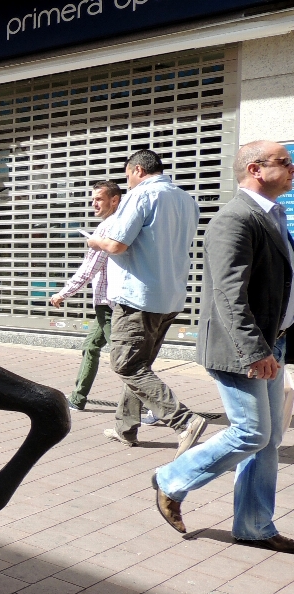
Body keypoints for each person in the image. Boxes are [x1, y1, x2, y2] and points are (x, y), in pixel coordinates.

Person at [152, 141, 294, 552]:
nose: (292, 169)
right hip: (243, 349)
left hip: (272, 344)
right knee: (251, 432)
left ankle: (253, 526)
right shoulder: (235, 219)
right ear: (255, 168)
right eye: (284, 163)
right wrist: (254, 350)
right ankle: (170, 479)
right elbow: (229, 295)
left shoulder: (273, 214)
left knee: (267, 440)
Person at [87, 149, 206, 457]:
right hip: (171, 295)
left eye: (127, 176)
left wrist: (94, 240)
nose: (127, 183)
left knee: (125, 364)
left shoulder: (140, 196)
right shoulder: (186, 199)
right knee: (140, 365)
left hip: (138, 296)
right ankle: (126, 427)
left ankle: (184, 421)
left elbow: (116, 244)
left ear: (138, 170)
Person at [51, 180, 122, 411]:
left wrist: (63, 293)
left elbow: (89, 268)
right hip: (106, 304)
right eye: (93, 199)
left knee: (125, 362)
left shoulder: (107, 227)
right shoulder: (120, 223)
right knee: (91, 346)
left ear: (114, 200)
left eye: (99, 199)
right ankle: (78, 398)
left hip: (111, 305)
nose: (94, 204)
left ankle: (155, 406)